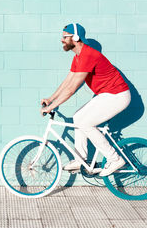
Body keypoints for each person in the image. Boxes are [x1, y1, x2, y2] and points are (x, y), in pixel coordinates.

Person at [40, 23, 131, 177]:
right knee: (78, 117)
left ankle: (114, 159)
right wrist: (51, 98)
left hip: (117, 95)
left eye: (65, 37)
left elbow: (71, 89)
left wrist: (51, 107)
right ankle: (80, 160)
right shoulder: (78, 57)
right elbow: (68, 81)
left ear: (75, 38)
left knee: (86, 123)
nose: (62, 40)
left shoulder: (89, 55)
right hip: (106, 94)